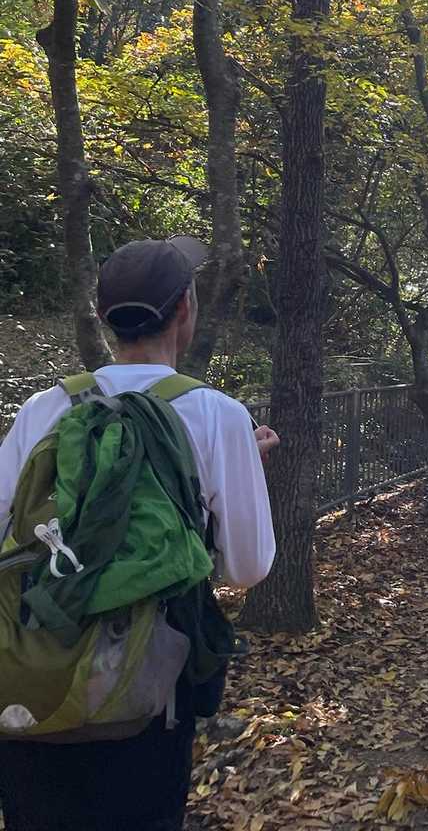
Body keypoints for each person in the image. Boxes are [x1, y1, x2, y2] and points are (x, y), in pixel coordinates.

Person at [0, 235, 278, 831]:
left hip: (34, 682)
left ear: (104, 316)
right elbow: (248, 566)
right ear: (186, 309)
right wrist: (229, 474)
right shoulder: (218, 415)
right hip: (150, 694)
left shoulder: (44, 408)